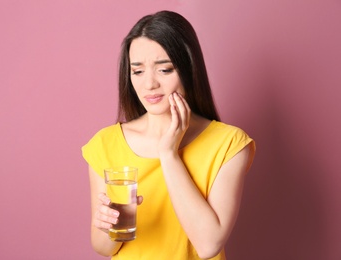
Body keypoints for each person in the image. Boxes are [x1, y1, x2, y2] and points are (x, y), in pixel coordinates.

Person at [82, 10, 255, 260]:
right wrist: (106, 225)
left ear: (189, 69)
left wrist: (169, 153)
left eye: (164, 70)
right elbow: (103, 247)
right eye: (138, 71)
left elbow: (208, 245)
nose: (149, 84)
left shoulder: (229, 144)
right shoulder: (105, 144)